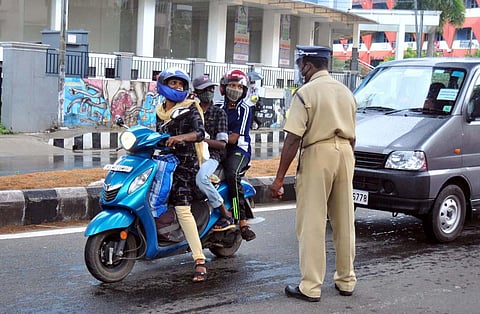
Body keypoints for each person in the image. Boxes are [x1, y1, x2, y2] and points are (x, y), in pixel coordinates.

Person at [269, 45, 357, 302]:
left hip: (318, 152)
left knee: (312, 221)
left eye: (300, 65)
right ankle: (346, 280)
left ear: (308, 65)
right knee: (344, 220)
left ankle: (310, 286)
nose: (299, 70)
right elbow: (354, 137)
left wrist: (278, 179)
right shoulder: (346, 92)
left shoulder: (306, 93)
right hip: (346, 153)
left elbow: (293, 139)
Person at [155, 68, 208, 282]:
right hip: (164, 163)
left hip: (186, 165)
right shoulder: (159, 110)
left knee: (182, 207)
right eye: (173, 83)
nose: (177, 87)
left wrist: (181, 138)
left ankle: (200, 260)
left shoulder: (190, 108)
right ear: (163, 84)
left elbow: (200, 133)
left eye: (181, 84)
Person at [192, 75, 233, 231]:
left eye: (211, 89)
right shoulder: (191, 111)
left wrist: (200, 139)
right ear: (196, 92)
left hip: (213, 156)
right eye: (205, 89)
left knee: (201, 178)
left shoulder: (218, 113)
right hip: (191, 156)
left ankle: (225, 212)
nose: (209, 92)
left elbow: (222, 144)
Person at [220, 69, 256, 241]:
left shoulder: (245, 110)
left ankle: (241, 220)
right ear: (223, 88)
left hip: (238, 150)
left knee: (232, 175)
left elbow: (234, 138)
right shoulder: (218, 108)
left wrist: (213, 139)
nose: (235, 89)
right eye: (231, 85)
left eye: (238, 86)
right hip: (220, 148)